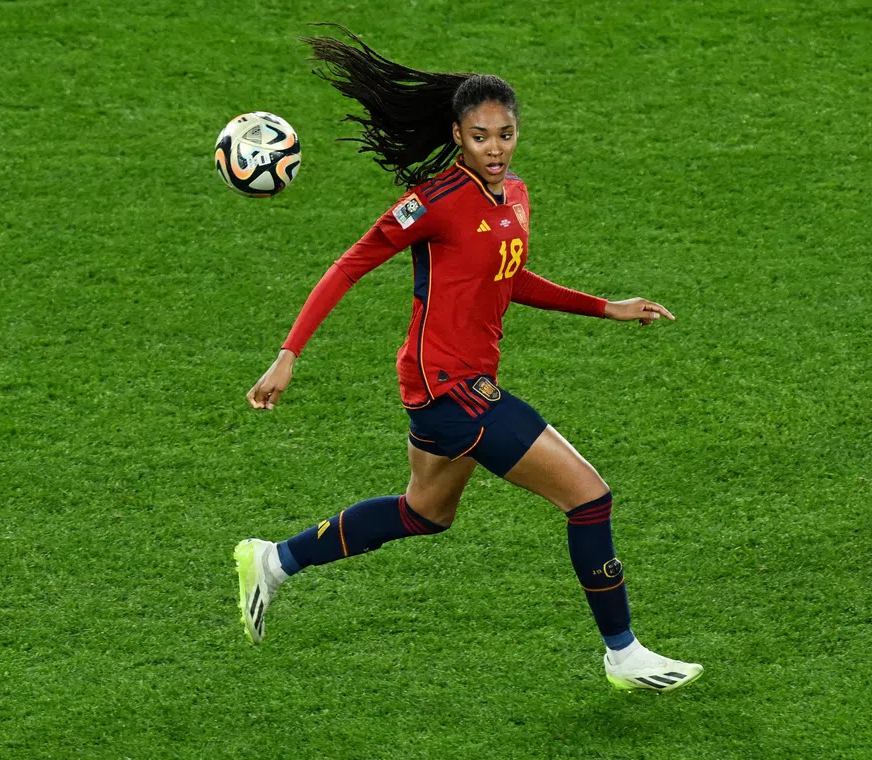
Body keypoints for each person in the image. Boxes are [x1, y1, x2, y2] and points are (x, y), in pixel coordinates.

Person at [234, 26, 703, 693]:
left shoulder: (515, 197)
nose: (495, 148)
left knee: (424, 512)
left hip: (454, 385)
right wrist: (288, 355)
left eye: (505, 134)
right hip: (450, 390)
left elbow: (510, 279)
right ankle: (623, 654)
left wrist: (608, 307)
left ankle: (273, 561)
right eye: (480, 136)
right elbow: (350, 265)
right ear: (457, 136)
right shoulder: (434, 203)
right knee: (589, 498)